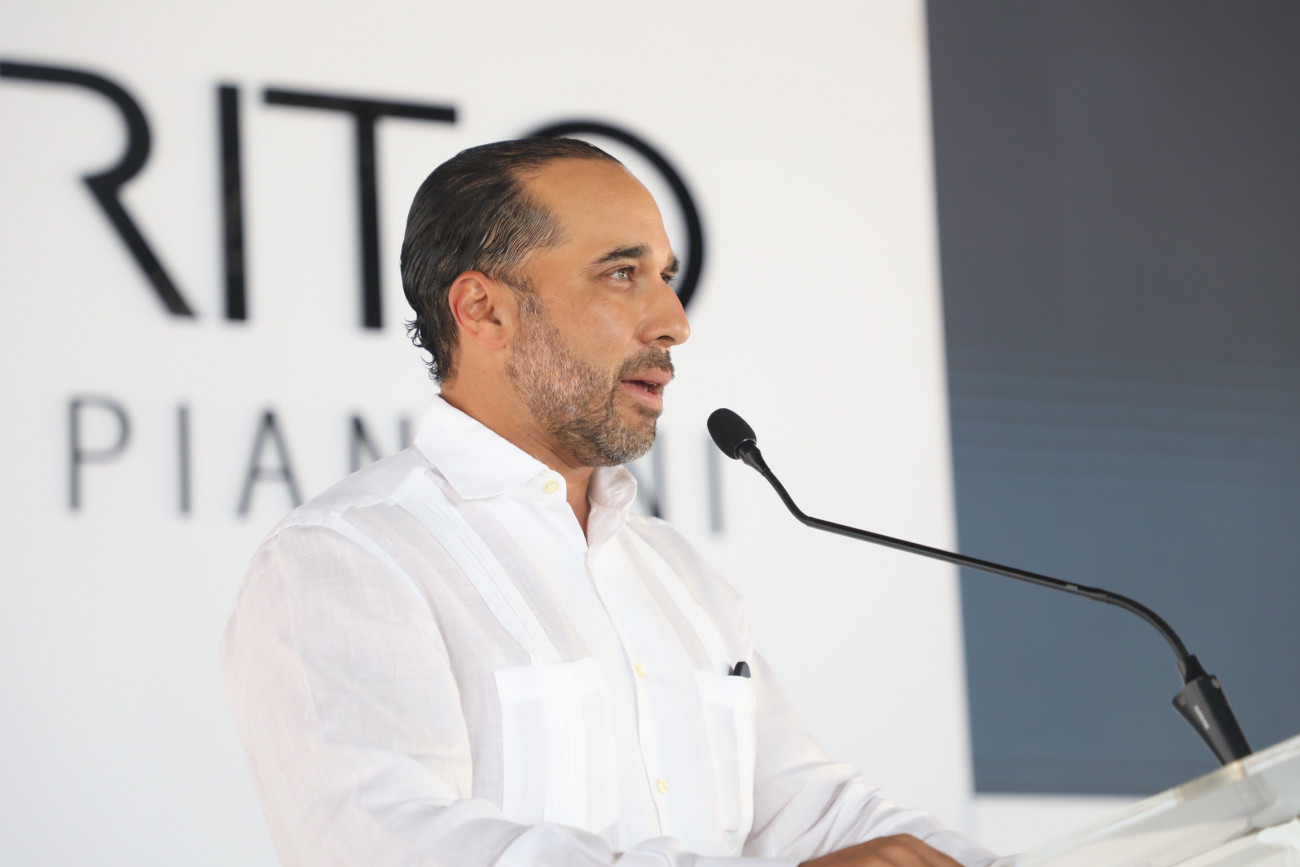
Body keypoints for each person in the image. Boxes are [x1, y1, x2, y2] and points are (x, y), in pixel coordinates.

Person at [221, 138, 1001, 867]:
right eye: (622, 273)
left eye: (666, 276)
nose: (675, 323)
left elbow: (813, 811)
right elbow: (390, 842)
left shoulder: (676, 572)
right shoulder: (348, 556)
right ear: (483, 309)